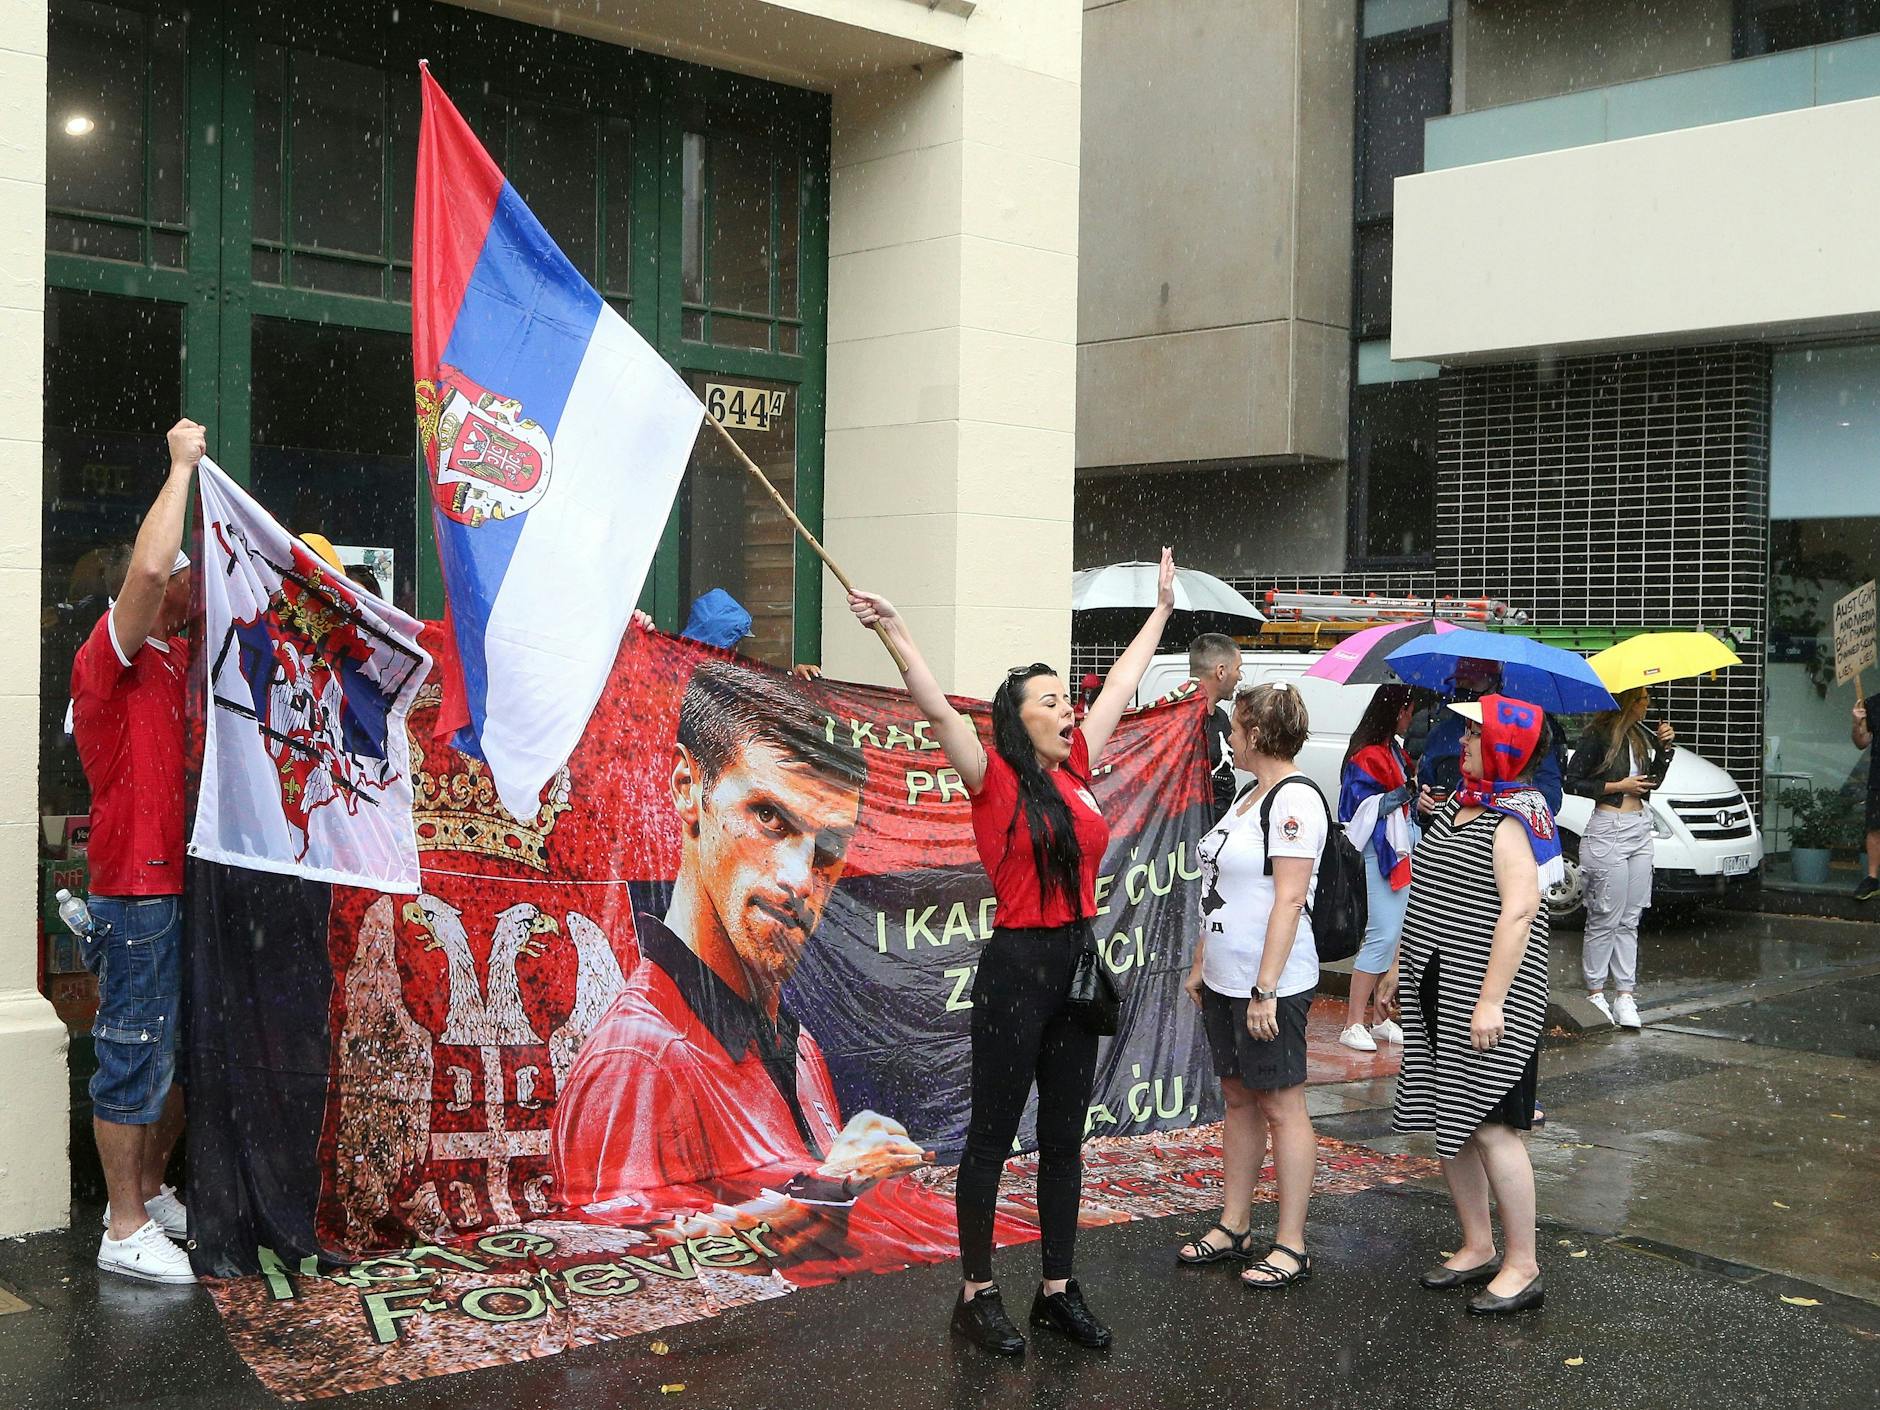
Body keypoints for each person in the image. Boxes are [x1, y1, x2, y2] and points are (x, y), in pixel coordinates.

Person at [846, 548, 1180, 1355]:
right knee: (992, 1137)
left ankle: (1057, 1291)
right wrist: (896, 632)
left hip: (1074, 966)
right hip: (1014, 974)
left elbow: (1125, 686)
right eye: (1054, 701)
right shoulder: (991, 776)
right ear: (1019, 717)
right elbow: (933, 707)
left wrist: (1162, 612)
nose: (1071, 709)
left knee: (1065, 1138)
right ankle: (977, 1293)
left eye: (1070, 699)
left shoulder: (1080, 768)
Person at [551, 662, 930, 1218]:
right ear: (688, 789)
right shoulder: (640, 1062)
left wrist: (845, 1183)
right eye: (770, 818)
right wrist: (828, 1186)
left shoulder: (798, 1050)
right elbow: (626, 1280)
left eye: (828, 845)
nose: (801, 878)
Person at [68, 419, 204, 1285]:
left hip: (173, 888)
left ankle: (149, 1193)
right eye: (184, 572)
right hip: (132, 891)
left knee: (167, 1053)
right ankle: (121, 1229)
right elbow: (152, 566)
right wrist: (181, 465)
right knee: (130, 1053)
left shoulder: (175, 657)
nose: (188, 578)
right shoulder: (107, 658)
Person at [1386, 696, 1558, 1316]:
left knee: (1493, 1127)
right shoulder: (1461, 807)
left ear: (1507, 746)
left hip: (1490, 999)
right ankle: (1478, 1245)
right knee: (1450, 1121)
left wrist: (1490, 1002)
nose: (1462, 744)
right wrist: (1400, 970)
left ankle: (1523, 1265)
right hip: (1437, 986)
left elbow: (1519, 911)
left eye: (1476, 736)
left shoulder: (1515, 817)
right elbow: (1426, 893)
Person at [1177, 683, 1322, 1290]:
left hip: (1272, 983)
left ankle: (1291, 1242)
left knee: (1282, 1105)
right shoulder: (1245, 795)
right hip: (1225, 978)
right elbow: (1225, 889)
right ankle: (1235, 1223)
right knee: (1237, 1096)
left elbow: (1289, 898)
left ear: (1256, 734)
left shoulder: (1294, 800)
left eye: (1234, 727)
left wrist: (1265, 989)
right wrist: (1202, 962)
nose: (1227, 737)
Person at [1564, 687, 1675, 1028]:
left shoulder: (1641, 737)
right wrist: (1617, 786)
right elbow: (1573, 782)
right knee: (1605, 915)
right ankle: (1596, 990)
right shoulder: (1597, 736)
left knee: (1631, 916)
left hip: (1640, 827)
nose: (1647, 705)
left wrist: (1665, 750)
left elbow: (1650, 783)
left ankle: (1625, 993)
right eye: (1642, 700)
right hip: (1608, 828)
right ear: (1628, 701)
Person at [1337, 684, 1419, 1052]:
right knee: (1383, 934)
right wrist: (1406, 793)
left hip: (1395, 847)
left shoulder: (1392, 751)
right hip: (1379, 851)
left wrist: (1413, 795)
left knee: (1393, 933)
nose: (1412, 717)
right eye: (1409, 710)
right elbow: (1356, 808)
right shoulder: (1370, 755)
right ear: (1397, 711)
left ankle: (1378, 1017)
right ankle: (1355, 1020)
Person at [1419, 658, 1568, 812]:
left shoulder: (1522, 732)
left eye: (1471, 682)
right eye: (1459, 682)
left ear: (1494, 685)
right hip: (1446, 829)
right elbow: (1424, 789)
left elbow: (1551, 798)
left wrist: (1497, 799)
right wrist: (1422, 808)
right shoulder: (1440, 733)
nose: (1462, 689)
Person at [1188, 632, 1245, 822]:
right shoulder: (1183, 722)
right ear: (1221, 671)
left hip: (1222, 828)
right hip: (1192, 831)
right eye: (1238, 669)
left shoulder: (1221, 717)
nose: (1239, 677)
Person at [1852, 696, 1879, 901]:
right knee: (1875, 828)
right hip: (1878, 778)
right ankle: (1872, 878)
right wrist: (1857, 722)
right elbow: (1861, 742)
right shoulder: (1873, 704)